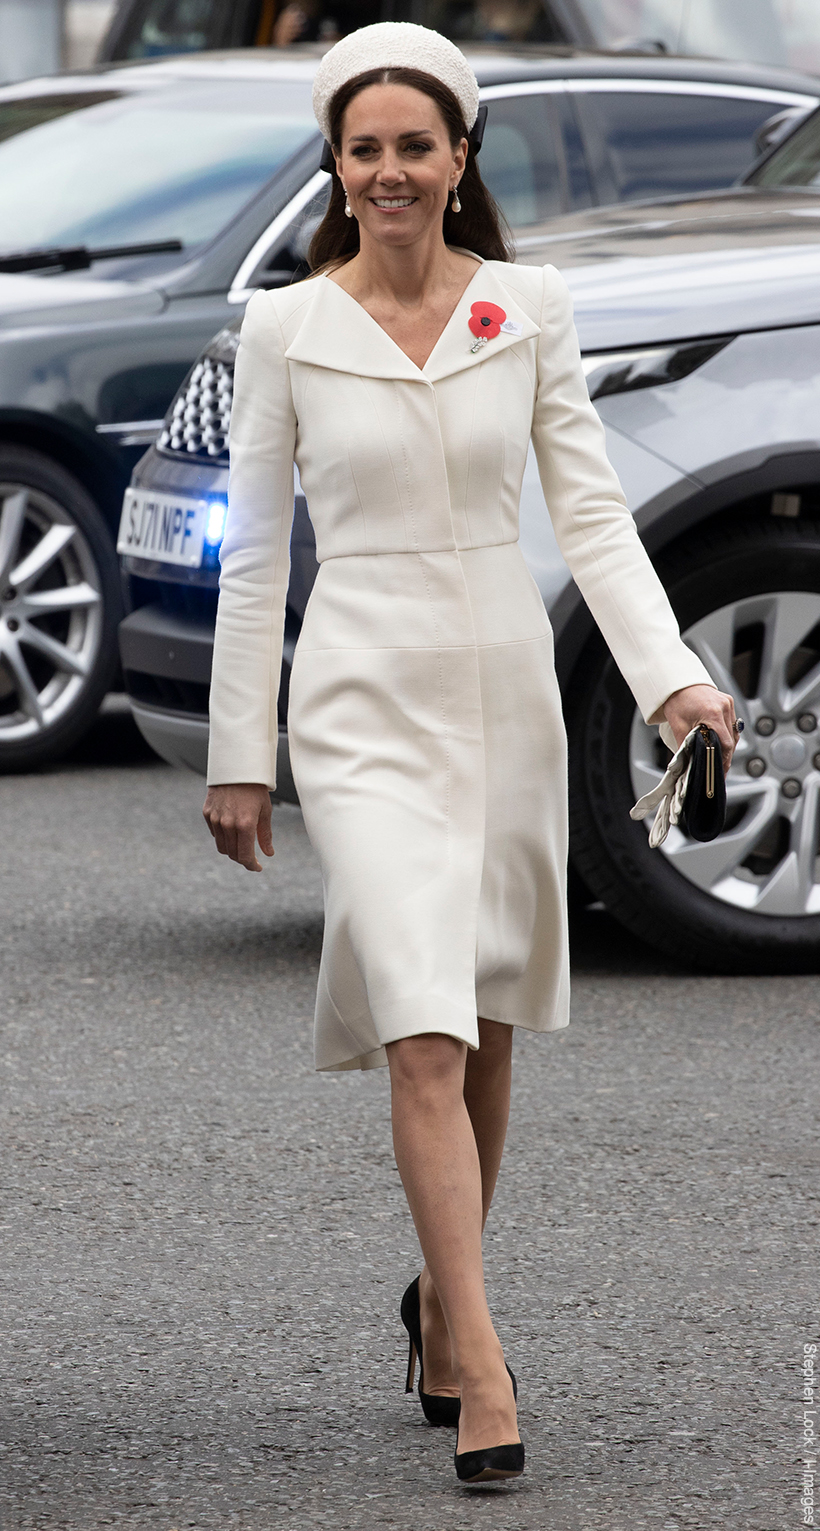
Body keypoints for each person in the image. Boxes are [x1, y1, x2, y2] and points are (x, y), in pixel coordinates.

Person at [202, 21, 739, 1486]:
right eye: (363, 147)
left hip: (503, 689)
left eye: (413, 146)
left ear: (458, 162)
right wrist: (234, 749)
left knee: (486, 1013)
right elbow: (256, 560)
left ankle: (442, 1306)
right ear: (336, 161)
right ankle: (488, 1364)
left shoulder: (531, 307)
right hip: (361, 693)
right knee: (422, 1024)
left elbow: (595, 520)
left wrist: (675, 681)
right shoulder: (282, 327)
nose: (388, 170)